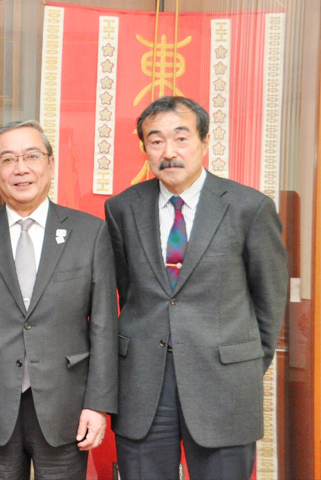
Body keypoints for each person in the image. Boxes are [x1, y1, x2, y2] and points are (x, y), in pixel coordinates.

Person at [104, 96, 288, 480]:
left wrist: (242, 364)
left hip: (223, 384)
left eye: (181, 138)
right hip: (144, 383)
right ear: (144, 149)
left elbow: (269, 302)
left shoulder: (248, 207)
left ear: (205, 142)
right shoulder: (122, 208)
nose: (169, 152)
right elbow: (126, 291)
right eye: (156, 141)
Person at [0, 120, 118, 480]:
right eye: (8, 160)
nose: (21, 168)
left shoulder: (90, 233)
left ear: (50, 164)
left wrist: (98, 405)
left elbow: (104, 325)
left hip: (66, 404)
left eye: (32, 156)